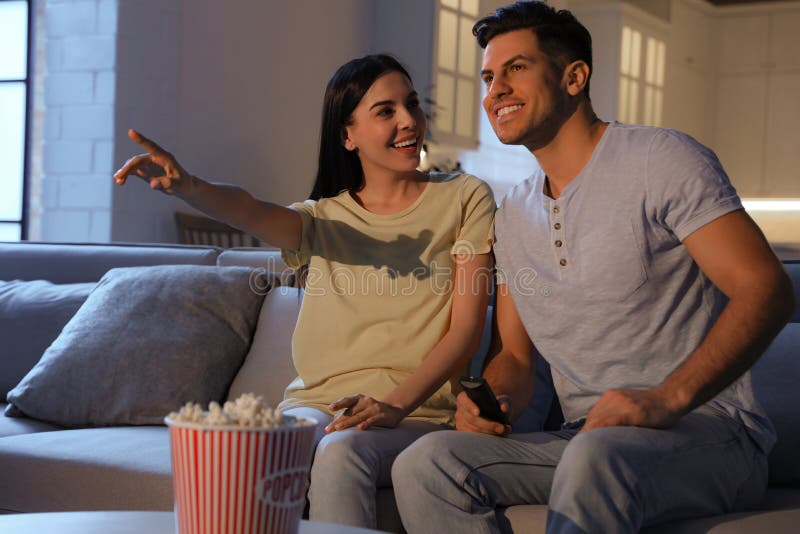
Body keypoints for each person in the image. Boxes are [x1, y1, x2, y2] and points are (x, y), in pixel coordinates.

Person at [391, 2, 795, 533]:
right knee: (426, 463)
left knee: (594, 456)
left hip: (709, 432)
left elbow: (766, 288)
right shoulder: (512, 214)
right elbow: (513, 354)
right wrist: (495, 400)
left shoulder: (660, 159)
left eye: (516, 68)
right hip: (585, 439)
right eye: (489, 76)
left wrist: (667, 397)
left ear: (574, 76)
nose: (496, 91)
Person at [113, 54, 495, 529]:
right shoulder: (322, 219)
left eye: (411, 104)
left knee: (340, 453)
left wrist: (394, 404)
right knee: (255, 449)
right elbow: (250, 210)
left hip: (417, 411)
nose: (408, 121)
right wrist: (189, 186)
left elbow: (465, 331)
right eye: (385, 111)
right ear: (347, 135)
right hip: (316, 404)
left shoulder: (464, 197)